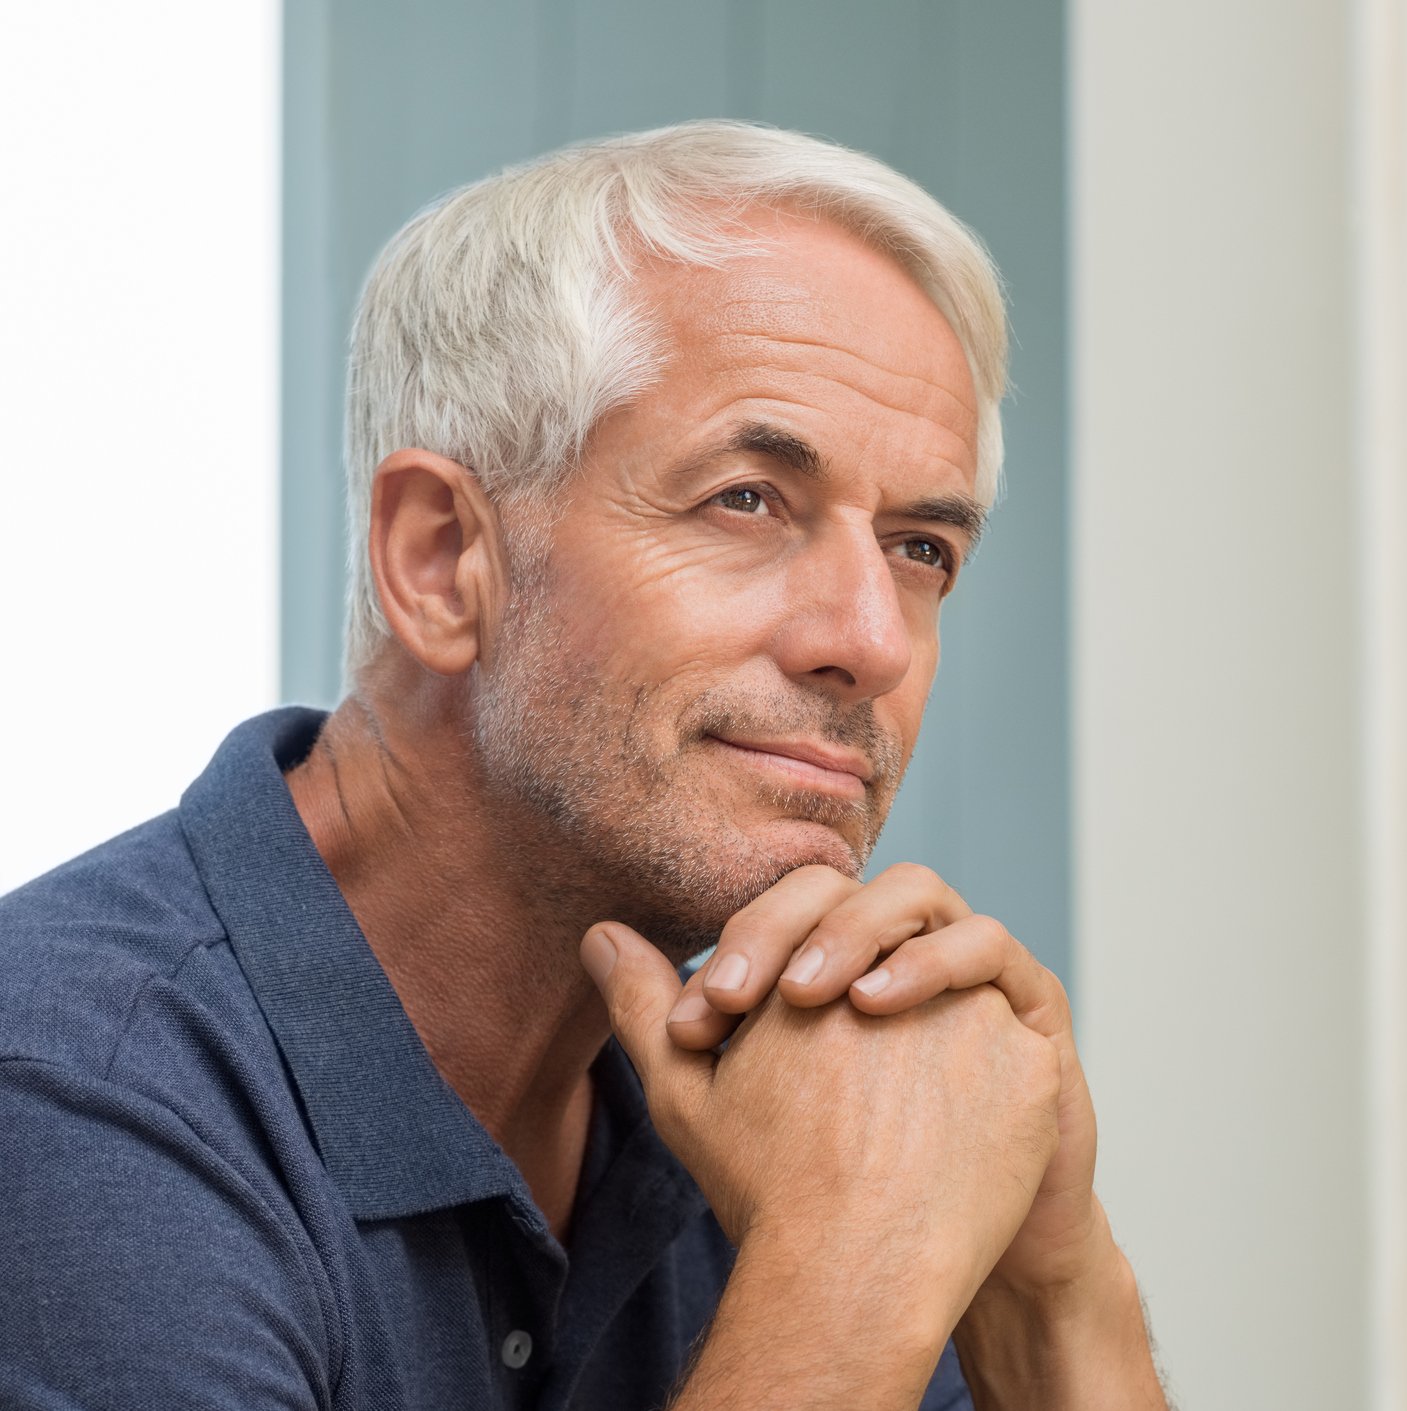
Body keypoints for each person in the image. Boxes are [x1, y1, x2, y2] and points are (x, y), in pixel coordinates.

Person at [0, 120, 1168, 1409]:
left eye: (919, 549)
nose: (872, 642)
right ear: (442, 560)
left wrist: (1055, 1296)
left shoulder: (795, 1096)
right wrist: (848, 1271)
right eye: (747, 501)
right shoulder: (65, 1092)